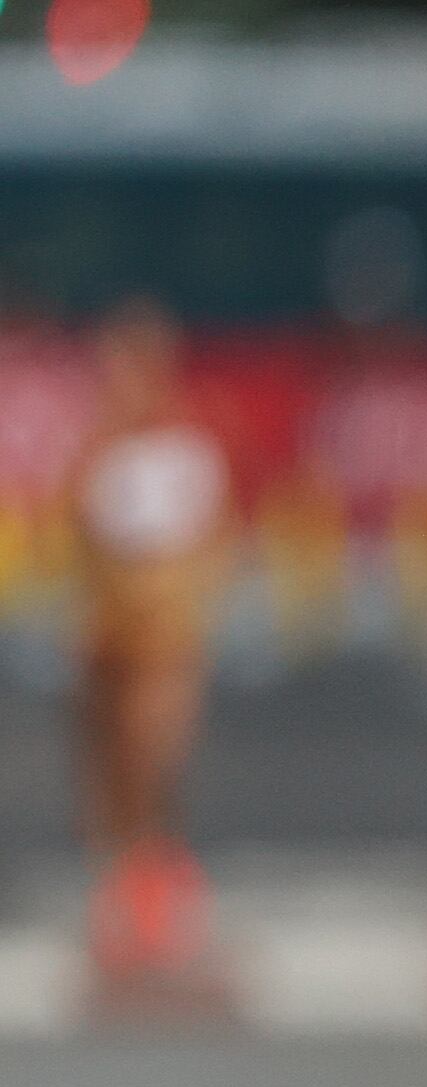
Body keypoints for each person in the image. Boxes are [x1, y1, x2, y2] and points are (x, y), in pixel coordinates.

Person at [68, 302, 232, 979]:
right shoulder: (97, 452)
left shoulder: (186, 451)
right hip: (107, 637)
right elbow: (84, 541)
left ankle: (165, 887)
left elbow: (198, 551)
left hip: (164, 641)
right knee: (109, 771)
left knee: (153, 757)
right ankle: (124, 887)